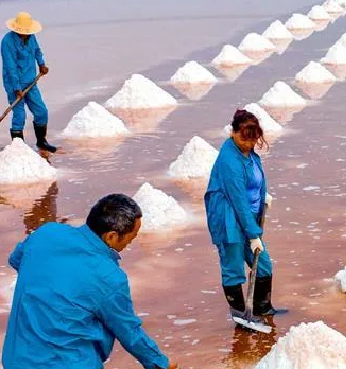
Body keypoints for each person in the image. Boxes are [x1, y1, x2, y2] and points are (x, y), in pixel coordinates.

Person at [2, 194, 178, 369]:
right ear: (111, 236)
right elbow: (128, 331)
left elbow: (17, 259)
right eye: (130, 238)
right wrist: (160, 363)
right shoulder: (109, 277)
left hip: (16, 360)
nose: (130, 243)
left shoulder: (46, 233)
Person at [205, 109, 284, 322]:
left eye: (252, 140)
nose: (248, 144)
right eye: (244, 139)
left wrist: (261, 194)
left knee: (263, 264)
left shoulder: (248, 154)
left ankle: (262, 308)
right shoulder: (229, 160)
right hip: (229, 218)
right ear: (233, 132)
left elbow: (253, 179)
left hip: (247, 217)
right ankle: (242, 318)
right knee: (233, 268)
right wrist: (252, 235)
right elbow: (238, 200)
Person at [2, 12, 56, 152]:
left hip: (30, 80)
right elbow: (10, 66)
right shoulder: (7, 42)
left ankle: (41, 142)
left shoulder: (31, 37)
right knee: (19, 114)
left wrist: (41, 64)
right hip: (14, 83)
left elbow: (37, 51)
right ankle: (18, 149)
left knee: (41, 111)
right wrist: (16, 87)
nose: (27, 34)